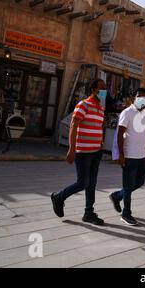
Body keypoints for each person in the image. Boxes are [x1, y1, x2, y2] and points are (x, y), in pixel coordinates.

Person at [51, 79, 107, 226]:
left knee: (92, 183)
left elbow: (99, 127)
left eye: (105, 89)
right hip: (83, 151)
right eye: (101, 88)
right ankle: (59, 197)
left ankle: (89, 213)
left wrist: (100, 142)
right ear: (93, 89)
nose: (103, 91)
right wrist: (71, 148)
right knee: (83, 182)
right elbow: (73, 126)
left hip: (96, 152)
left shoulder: (101, 109)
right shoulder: (83, 105)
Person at [109, 88, 145, 226]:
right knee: (128, 184)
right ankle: (126, 214)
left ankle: (117, 196)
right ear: (134, 98)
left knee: (139, 182)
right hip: (129, 155)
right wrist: (120, 154)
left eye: (144, 98)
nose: (141, 99)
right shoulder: (127, 112)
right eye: (139, 97)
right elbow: (120, 134)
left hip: (141, 155)